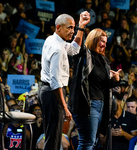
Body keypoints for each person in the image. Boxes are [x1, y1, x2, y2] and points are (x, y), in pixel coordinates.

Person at [38, 11, 90, 150]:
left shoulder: (52, 39)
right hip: (52, 91)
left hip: (47, 90)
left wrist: (81, 27)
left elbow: (74, 50)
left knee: (52, 134)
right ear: (58, 27)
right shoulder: (57, 48)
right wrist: (65, 107)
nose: (72, 31)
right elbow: (55, 82)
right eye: (69, 28)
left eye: (73, 28)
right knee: (54, 136)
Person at [68, 28, 121, 150]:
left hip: (101, 105)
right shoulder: (84, 55)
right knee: (87, 142)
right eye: (102, 41)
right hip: (87, 104)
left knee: (93, 142)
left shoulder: (103, 60)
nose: (104, 45)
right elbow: (77, 47)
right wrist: (81, 26)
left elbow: (103, 86)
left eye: (106, 43)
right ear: (93, 39)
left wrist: (115, 80)